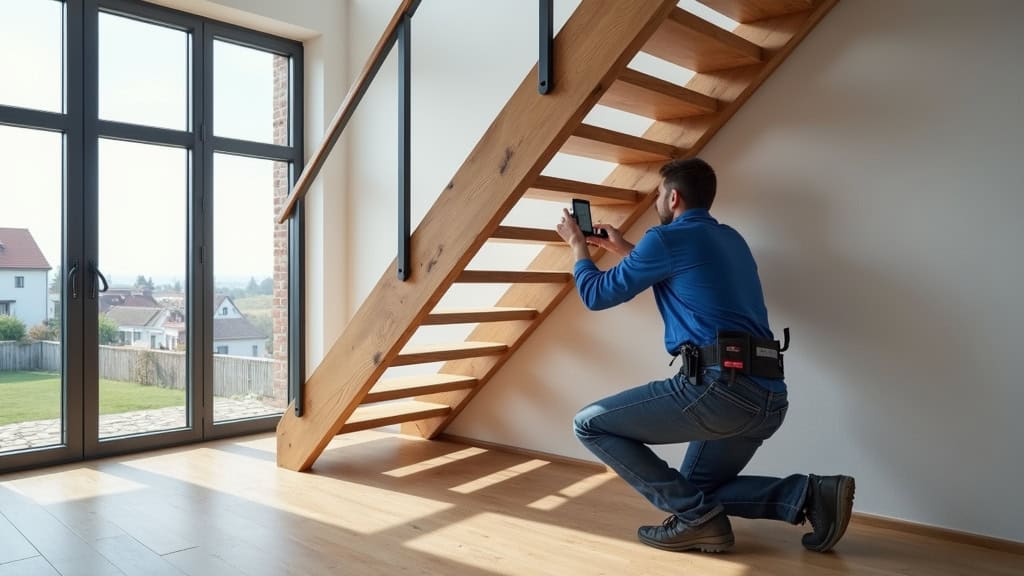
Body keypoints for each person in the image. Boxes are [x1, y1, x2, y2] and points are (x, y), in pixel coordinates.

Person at [554, 158, 855, 553]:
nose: (658, 202)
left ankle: (697, 521)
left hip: (719, 390)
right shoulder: (731, 238)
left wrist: (578, 247)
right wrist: (624, 248)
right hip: (768, 396)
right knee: (695, 490)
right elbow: (683, 274)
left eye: (659, 195)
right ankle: (810, 494)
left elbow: (596, 294)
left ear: (673, 197)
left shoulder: (664, 241)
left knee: (589, 425)